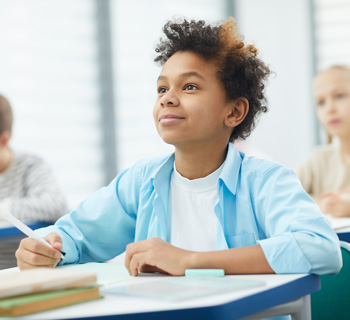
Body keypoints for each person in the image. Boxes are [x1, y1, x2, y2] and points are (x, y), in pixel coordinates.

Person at [16, 18, 341, 279]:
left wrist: (190, 261)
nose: (167, 98)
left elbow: (320, 248)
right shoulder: (142, 180)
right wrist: (49, 247)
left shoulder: (265, 181)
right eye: (161, 87)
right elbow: (76, 235)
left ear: (234, 111)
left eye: (189, 86)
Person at [0, 94, 68, 268]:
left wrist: (5, 208)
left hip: (34, 267)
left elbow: (55, 203)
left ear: (4, 140)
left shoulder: (30, 166)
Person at [296, 65, 350, 217]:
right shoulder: (318, 160)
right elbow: (281, 193)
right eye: (321, 102)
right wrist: (320, 203)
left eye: (339, 96)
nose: (329, 109)